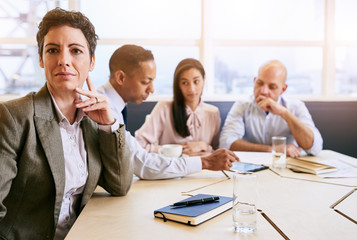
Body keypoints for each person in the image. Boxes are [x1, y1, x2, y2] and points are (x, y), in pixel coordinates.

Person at [0, 8, 133, 240]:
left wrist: (108, 125)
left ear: (91, 62)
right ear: (41, 58)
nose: (63, 60)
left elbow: (120, 184)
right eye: (52, 50)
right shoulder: (14, 116)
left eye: (76, 51)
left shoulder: (93, 119)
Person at [97, 45, 238, 180]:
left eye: (196, 81)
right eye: (146, 81)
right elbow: (142, 163)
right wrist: (194, 157)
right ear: (121, 78)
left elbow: (132, 158)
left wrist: (205, 149)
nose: (152, 89)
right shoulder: (103, 108)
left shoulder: (114, 107)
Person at [219, 60, 323, 157]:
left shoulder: (296, 107)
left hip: (287, 167)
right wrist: (272, 150)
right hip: (252, 167)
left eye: (272, 87)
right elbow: (226, 143)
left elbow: (315, 148)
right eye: (259, 83)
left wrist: (285, 113)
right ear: (254, 81)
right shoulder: (242, 105)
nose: (263, 91)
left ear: (283, 89)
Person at [135, 58, 220, 156]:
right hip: (172, 168)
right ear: (178, 85)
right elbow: (139, 144)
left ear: (204, 81)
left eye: (196, 81)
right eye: (184, 83)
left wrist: (204, 146)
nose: (191, 89)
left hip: (204, 169)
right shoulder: (164, 107)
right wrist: (170, 150)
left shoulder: (213, 112)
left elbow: (216, 150)